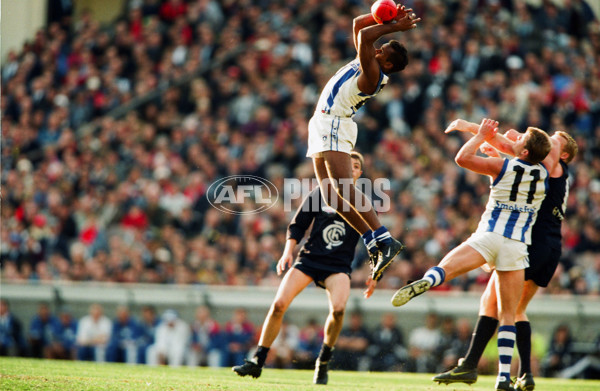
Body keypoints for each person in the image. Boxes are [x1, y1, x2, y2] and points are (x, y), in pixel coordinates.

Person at [391, 118, 557, 391]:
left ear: (524, 151)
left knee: (446, 267)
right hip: (516, 246)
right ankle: (503, 377)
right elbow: (510, 147)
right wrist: (485, 135)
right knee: (507, 315)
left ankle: (429, 280)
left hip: (490, 236)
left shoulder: (502, 165)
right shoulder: (544, 174)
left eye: (520, 139)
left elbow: (462, 158)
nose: (514, 140)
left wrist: (479, 135)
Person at [431, 119, 577, 391]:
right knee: (514, 309)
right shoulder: (551, 170)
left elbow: (503, 144)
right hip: (550, 246)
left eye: (556, 140)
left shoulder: (550, 163)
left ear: (564, 154)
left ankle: (474, 366)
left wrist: (469, 127)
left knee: (495, 306)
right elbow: (509, 147)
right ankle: (524, 373)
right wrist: (509, 142)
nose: (550, 140)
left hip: (532, 242)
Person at [233, 152, 376, 385]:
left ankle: (324, 360)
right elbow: (298, 225)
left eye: (356, 166)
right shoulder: (320, 193)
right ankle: (258, 360)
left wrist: (374, 273)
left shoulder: (363, 202)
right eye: (346, 164)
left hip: (338, 266)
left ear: (360, 173)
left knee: (339, 309)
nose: (350, 169)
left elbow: (373, 240)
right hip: (309, 260)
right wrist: (287, 252)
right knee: (279, 305)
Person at [306, 4, 421, 282]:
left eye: (384, 53)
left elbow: (367, 37)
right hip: (322, 122)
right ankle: (373, 242)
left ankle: (384, 237)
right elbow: (360, 25)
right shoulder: (371, 57)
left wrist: (395, 25)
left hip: (335, 122)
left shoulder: (373, 76)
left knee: (343, 188)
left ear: (389, 65)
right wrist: (387, 16)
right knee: (331, 196)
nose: (378, 50)